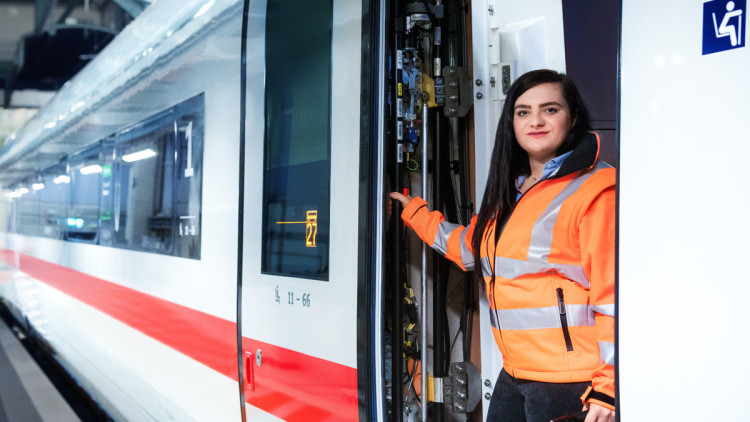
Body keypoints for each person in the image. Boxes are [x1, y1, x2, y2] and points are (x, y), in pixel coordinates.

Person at [390, 69, 615, 422]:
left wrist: (608, 388)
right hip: (516, 372)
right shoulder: (512, 192)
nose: (535, 121)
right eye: (523, 111)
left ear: (572, 118)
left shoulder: (594, 190)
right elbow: (469, 249)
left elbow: (612, 296)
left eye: (550, 109)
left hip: (570, 382)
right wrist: (415, 213)